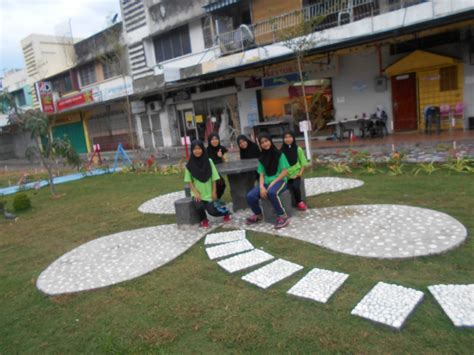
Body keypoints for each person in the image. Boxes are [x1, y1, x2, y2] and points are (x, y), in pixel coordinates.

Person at [246, 133, 290, 229]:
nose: (265, 144)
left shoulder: (279, 154)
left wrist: (272, 183)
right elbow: (261, 174)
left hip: (280, 181)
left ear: (270, 141)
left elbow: (284, 172)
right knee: (250, 196)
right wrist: (261, 187)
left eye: (266, 141)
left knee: (271, 192)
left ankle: (283, 216)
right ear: (260, 145)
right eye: (262, 143)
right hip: (266, 182)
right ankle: (258, 215)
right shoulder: (262, 158)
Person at [184, 140, 231, 228]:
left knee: (212, 212)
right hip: (197, 193)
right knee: (199, 207)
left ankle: (226, 212)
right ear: (192, 150)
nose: (197, 151)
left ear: (202, 149)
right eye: (194, 149)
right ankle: (204, 219)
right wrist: (195, 192)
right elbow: (189, 181)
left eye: (199, 148)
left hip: (209, 192)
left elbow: (214, 178)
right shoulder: (189, 164)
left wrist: (214, 192)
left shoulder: (209, 161)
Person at [280, 131, 308, 211]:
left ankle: (299, 202)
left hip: (296, 174)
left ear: (293, 138)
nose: (288, 139)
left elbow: (303, 162)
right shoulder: (281, 151)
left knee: (295, 186)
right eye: (286, 137)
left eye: (290, 137)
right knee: (287, 188)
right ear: (283, 139)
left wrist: (300, 174)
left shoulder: (298, 149)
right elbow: (280, 165)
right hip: (286, 175)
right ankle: (286, 206)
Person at [206, 133, 228, 199]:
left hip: (218, 172)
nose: (215, 141)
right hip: (210, 172)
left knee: (222, 184)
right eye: (212, 139)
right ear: (209, 141)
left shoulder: (222, 149)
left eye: (216, 139)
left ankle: (216, 200)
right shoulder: (206, 151)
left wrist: (221, 157)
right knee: (219, 184)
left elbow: (227, 162)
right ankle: (214, 201)